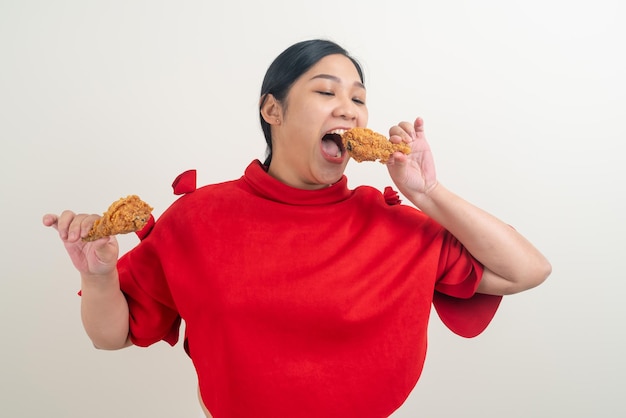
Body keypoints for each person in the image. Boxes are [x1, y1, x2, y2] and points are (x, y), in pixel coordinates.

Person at [43, 39, 551, 418]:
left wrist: (427, 193)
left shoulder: (395, 225)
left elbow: (528, 269)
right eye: (326, 91)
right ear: (273, 110)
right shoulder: (199, 220)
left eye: (358, 98)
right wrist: (100, 275)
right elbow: (110, 337)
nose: (349, 108)